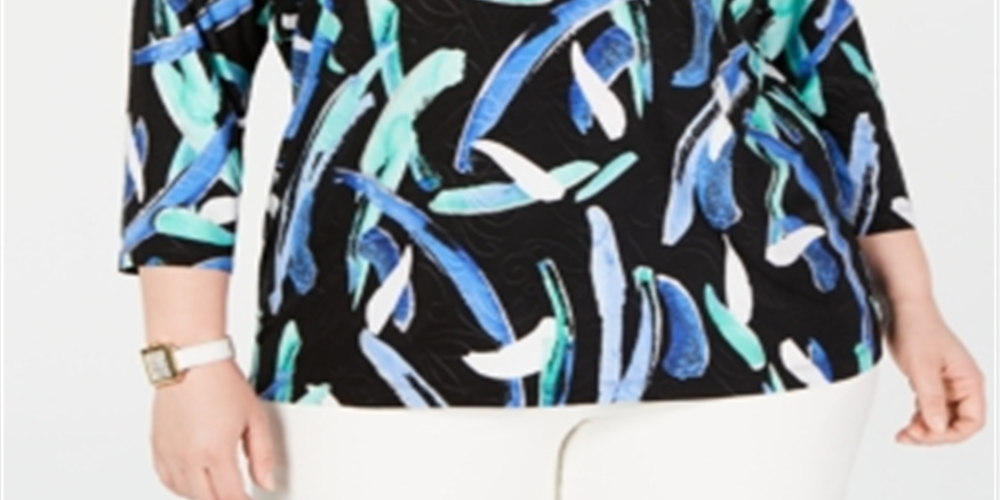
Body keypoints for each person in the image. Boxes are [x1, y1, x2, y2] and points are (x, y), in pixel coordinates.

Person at [119, 0, 986, 499]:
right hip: (384, 347)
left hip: (759, 335)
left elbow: (819, 58)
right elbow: (187, 82)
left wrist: (912, 299)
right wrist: (186, 358)